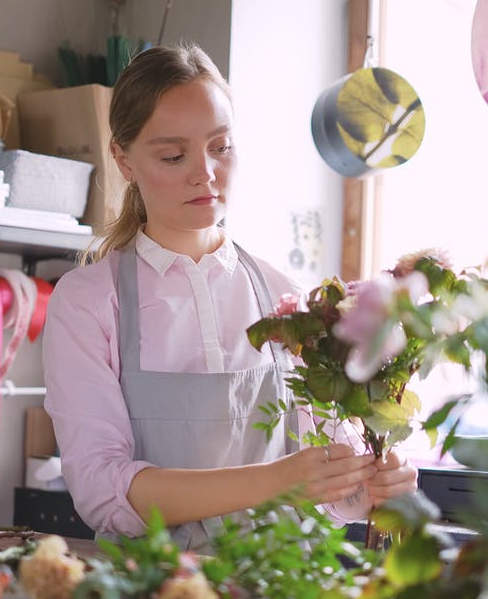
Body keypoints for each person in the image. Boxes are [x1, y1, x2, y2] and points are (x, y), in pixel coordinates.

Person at [43, 43, 417, 551]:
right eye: (173, 155)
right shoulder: (88, 301)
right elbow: (103, 490)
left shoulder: (283, 297)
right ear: (123, 160)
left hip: (279, 592)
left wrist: (374, 483)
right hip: (152, 598)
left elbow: (330, 480)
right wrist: (276, 480)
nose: (205, 173)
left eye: (221, 147)